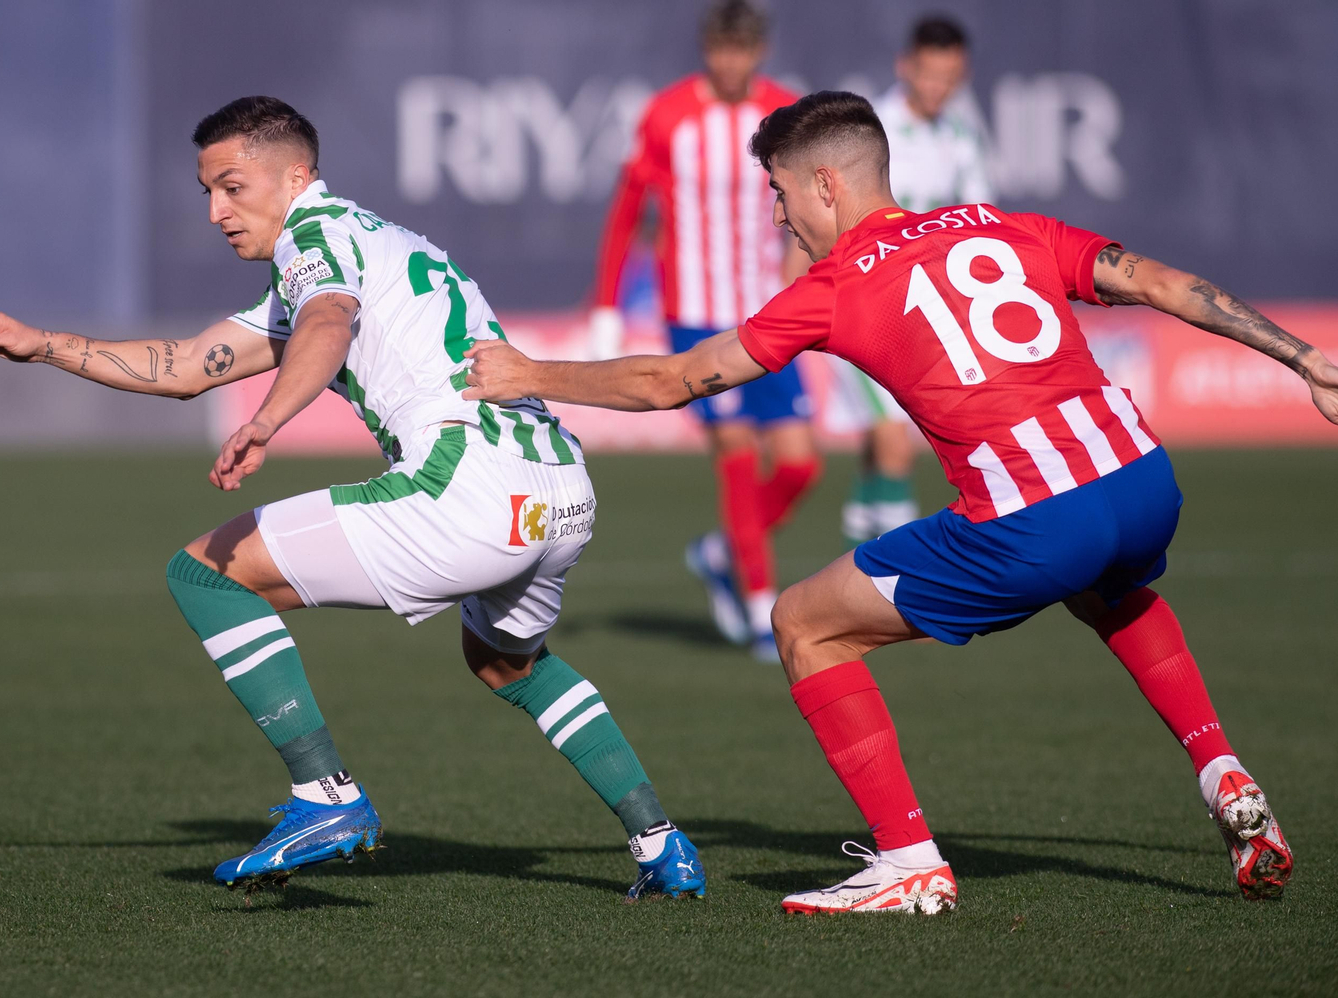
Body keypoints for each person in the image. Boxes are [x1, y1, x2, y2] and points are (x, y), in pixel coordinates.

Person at [463, 91, 1338, 914]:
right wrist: (1304, 359)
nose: (776, 215)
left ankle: (908, 863)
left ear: (826, 184)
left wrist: (528, 374)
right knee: (1110, 583)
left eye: (777, 192)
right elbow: (1160, 282)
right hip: (1145, 483)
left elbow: (675, 380)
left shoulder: (837, 284)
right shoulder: (1004, 223)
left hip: (1036, 521)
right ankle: (1221, 767)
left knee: (804, 623)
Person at [0, 96, 704, 900]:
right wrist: (44, 344)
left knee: (205, 574)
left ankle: (325, 795)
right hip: (559, 497)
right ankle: (660, 840)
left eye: (232, 187)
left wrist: (268, 419)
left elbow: (330, 323)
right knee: (507, 663)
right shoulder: (372, 242)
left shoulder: (315, 239)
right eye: (206, 192)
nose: (215, 212)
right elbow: (191, 365)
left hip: (467, 486)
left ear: (296, 176)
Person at [590, 0, 819, 661]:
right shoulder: (667, 116)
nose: (729, 63)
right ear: (706, 50)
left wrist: (804, 271)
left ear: (759, 52)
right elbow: (628, 209)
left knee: (800, 463)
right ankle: (757, 608)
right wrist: (607, 306)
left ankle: (721, 552)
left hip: (767, 309)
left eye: (740, 51)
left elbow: (808, 204)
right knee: (738, 452)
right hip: (694, 312)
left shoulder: (786, 113)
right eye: (719, 50)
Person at [835, 15, 996, 550]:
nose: (936, 87)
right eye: (928, 73)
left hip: (924, 310)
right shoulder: (870, 134)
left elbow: (979, 219)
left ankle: (861, 525)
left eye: (948, 76)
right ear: (906, 66)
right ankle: (901, 586)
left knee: (886, 442)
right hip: (864, 304)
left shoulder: (962, 139)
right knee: (895, 441)